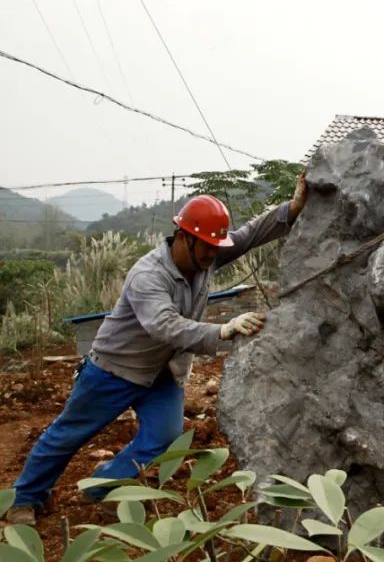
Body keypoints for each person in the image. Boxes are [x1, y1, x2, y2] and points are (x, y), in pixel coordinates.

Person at [5, 176, 319, 527]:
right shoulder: (148, 275)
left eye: (217, 247)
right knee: (68, 434)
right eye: (208, 248)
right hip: (114, 370)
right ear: (185, 238)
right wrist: (223, 329)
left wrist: (292, 209)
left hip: (163, 374)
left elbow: (247, 236)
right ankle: (26, 498)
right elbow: (165, 326)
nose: (215, 254)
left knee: (166, 435)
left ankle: (103, 486)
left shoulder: (205, 257)